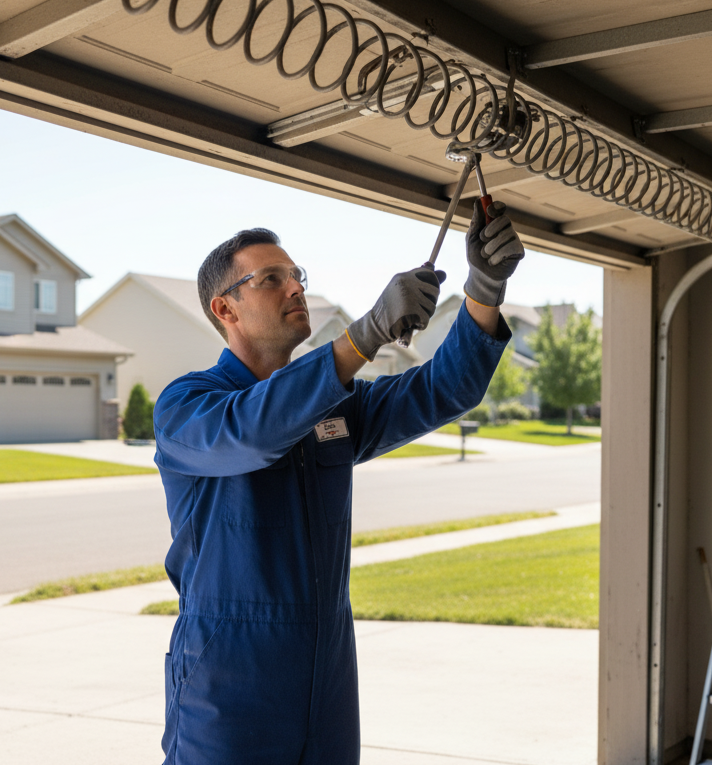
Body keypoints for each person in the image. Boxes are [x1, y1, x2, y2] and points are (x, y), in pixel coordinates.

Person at [154, 200, 525, 765]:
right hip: (228, 682)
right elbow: (254, 432)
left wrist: (483, 289)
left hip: (326, 673)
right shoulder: (188, 405)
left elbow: (443, 389)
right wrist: (366, 334)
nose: (295, 289)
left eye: (297, 276)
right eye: (271, 279)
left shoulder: (338, 406)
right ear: (224, 307)